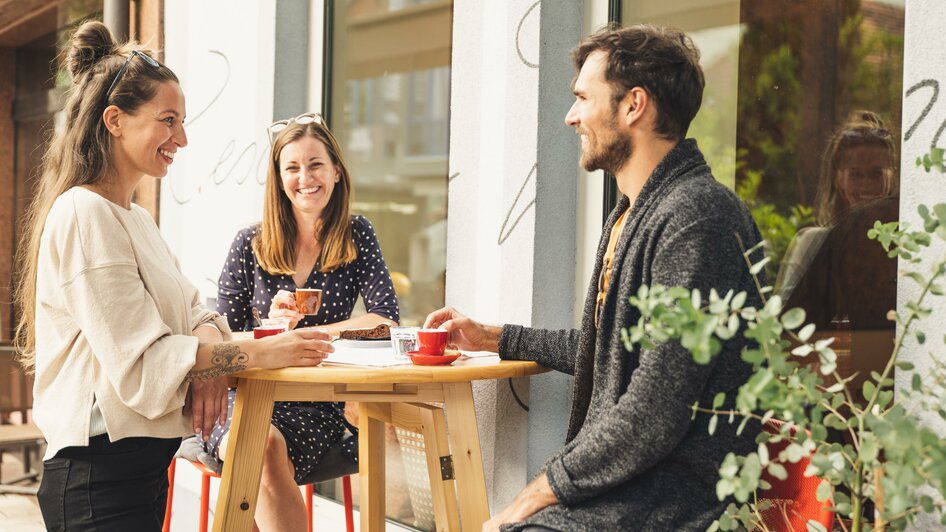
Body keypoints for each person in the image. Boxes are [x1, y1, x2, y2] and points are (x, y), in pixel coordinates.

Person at [424, 24, 764, 531]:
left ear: (633, 105)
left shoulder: (698, 218)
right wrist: (495, 337)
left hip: (677, 500)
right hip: (625, 490)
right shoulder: (633, 214)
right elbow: (613, 349)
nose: (571, 116)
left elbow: (655, 407)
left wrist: (537, 493)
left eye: (583, 97)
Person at [12, 22, 333, 531]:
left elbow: (199, 313)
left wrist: (206, 360)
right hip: (97, 480)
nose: (181, 138)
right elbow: (145, 367)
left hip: (137, 471)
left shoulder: (135, 218)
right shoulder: (84, 213)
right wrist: (260, 353)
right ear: (114, 120)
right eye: (168, 120)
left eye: (181, 121)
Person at [206, 115, 399, 531]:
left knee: (258, 455)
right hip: (245, 393)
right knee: (258, 444)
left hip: (317, 400)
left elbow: (385, 319)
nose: (305, 177)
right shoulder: (249, 243)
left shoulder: (356, 233)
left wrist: (309, 336)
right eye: (292, 167)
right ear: (278, 179)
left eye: (315, 164)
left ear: (335, 171)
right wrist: (271, 334)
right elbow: (220, 341)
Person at [776, 110, 898, 299]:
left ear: (891, 174)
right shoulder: (812, 245)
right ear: (839, 178)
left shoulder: (905, 248)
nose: (866, 185)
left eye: (876, 174)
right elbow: (782, 322)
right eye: (856, 174)